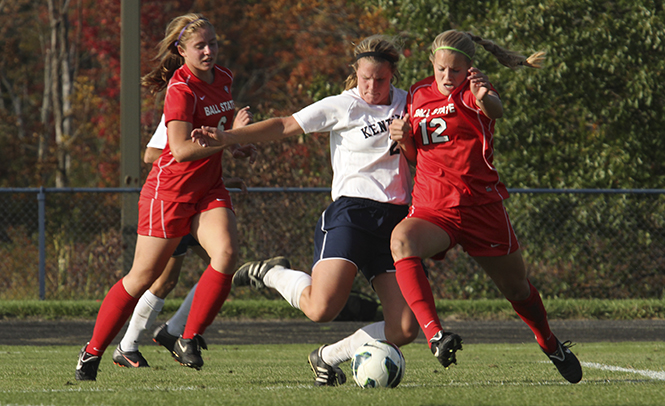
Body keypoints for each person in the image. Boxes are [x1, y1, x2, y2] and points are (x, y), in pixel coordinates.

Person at [191, 35, 420, 386]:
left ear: (394, 76)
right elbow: (284, 124)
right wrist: (229, 138)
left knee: (404, 328)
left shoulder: (410, 104)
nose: (372, 86)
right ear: (355, 75)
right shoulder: (343, 105)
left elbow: (425, 156)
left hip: (396, 224)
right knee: (320, 309)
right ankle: (271, 274)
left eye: (381, 80)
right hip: (352, 216)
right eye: (365, 79)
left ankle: (327, 357)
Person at [387, 29, 583, 384]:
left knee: (517, 290)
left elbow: (496, 111)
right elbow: (417, 156)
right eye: (442, 69)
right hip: (434, 209)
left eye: (456, 71)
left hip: (481, 208)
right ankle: (435, 336)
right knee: (401, 241)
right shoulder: (417, 93)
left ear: (469, 68)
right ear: (431, 63)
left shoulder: (475, 88)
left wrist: (483, 97)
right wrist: (403, 141)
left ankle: (550, 343)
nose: (448, 77)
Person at [75, 13, 256, 381]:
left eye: (213, 43)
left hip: (208, 189)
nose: (209, 51)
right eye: (200, 46)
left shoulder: (223, 78)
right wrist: (231, 138)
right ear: (182, 50)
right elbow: (181, 149)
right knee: (143, 277)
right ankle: (92, 351)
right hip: (169, 194)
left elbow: (217, 130)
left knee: (227, 254)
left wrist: (234, 149)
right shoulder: (180, 89)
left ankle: (187, 336)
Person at [111, 112, 250, 368]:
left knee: (222, 266)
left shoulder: (211, 108)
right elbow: (152, 154)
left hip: (196, 203)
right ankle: (129, 345)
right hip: (173, 200)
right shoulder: (179, 112)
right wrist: (218, 143)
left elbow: (202, 157)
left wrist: (220, 173)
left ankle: (171, 331)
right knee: (162, 280)